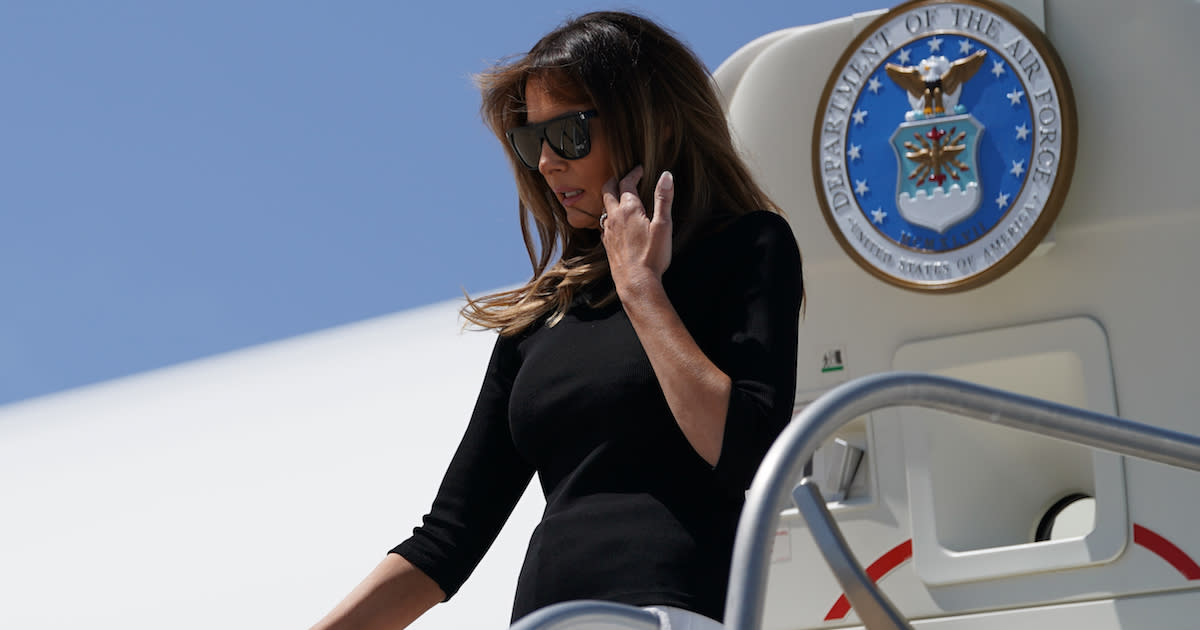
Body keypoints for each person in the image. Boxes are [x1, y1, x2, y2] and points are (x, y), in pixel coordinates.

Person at [309, 11, 803, 630]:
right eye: (530, 140)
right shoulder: (537, 320)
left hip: (673, 611)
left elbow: (748, 454)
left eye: (568, 134)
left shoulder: (748, 247)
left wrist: (641, 290)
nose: (545, 163)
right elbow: (446, 540)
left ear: (654, 122)